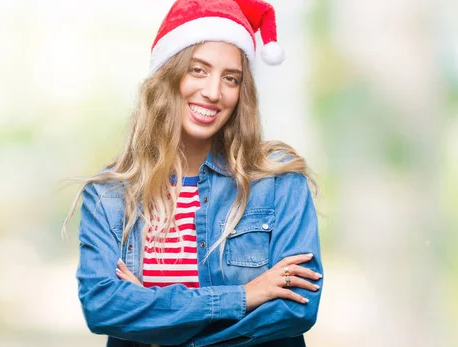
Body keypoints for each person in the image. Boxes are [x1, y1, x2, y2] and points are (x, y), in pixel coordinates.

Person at [62, 0, 323, 346]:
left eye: (231, 79)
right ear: (168, 75)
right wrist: (244, 296)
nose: (214, 92)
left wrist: (156, 322)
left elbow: (296, 311)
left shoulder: (279, 181)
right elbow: (102, 308)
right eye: (198, 70)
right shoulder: (111, 194)